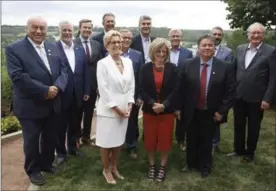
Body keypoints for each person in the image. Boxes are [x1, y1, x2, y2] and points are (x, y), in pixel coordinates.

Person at [5, 16, 68, 185]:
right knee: (32, 141)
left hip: (53, 102)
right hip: (30, 105)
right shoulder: (14, 49)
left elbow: (64, 70)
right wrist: (44, 90)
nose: (39, 31)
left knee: (49, 137)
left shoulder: (52, 46)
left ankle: (47, 164)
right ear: (27, 28)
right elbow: (18, 76)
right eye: (35, 27)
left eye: (42, 28)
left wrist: (57, 87)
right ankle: (33, 170)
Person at [179, 35, 235, 178]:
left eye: (210, 45)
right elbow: (181, 88)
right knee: (191, 138)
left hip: (211, 111)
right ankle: (191, 163)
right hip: (191, 110)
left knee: (206, 139)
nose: (207, 48)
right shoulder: (187, 64)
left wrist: (222, 111)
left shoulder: (224, 67)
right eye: (204, 45)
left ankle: (205, 166)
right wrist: (179, 109)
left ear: (214, 48)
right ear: (199, 48)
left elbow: (230, 91)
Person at [227, 22, 276, 162]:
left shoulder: (271, 51)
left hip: (257, 98)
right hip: (239, 96)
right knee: (238, 124)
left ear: (263, 35)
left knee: (254, 126)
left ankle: (250, 153)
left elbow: (273, 78)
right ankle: (238, 150)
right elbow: (234, 70)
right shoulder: (240, 49)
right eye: (253, 33)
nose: (255, 35)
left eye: (259, 33)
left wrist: (267, 98)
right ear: (248, 35)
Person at [96, 30, 135, 184]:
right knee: (106, 142)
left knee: (118, 141)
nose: (117, 45)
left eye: (119, 42)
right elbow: (103, 89)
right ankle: (106, 169)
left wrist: (129, 105)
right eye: (113, 42)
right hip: (109, 110)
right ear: (107, 45)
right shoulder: (102, 63)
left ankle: (114, 167)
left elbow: (132, 85)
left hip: (125, 109)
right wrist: (116, 109)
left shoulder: (128, 62)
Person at [139, 38, 179, 182]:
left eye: (164, 51)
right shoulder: (144, 68)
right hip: (150, 111)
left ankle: (162, 166)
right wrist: (151, 103)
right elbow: (141, 88)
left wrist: (165, 105)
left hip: (166, 112)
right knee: (150, 140)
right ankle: (151, 165)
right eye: (158, 51)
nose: (161, 54)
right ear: (152, 52)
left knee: (165, 139)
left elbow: (176, 90)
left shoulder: (173, 68)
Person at [55, 21, 90, 163]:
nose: (67, 33)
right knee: (61, 125)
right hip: (62, 94)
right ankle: (61, 154)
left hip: (78, 94)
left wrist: (86, 90)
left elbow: (86, 72)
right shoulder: (54, 48)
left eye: (69, 30)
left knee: (75, 124)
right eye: (64, 30)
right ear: (59, 31)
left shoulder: (79, 49)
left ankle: (72, 148)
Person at [74, 19, 104, 146]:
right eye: (84, 27)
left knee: (89, 113)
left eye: (89, 28)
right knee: (76, 113)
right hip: (77, 86)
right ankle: (75, 137)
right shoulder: (73, 43)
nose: (87, 30)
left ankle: (86, 137)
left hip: (93, 85)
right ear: (80, 28)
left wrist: (99, 84)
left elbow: (101, 65)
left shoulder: (96, 44)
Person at [120, 29, 144, 159]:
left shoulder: (137, 55)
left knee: (132, 121)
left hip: (133, 95)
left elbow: (141, 76)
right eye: (124, 38)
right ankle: (117, 144)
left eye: (129, 38)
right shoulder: (112, 54)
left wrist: (140, 96)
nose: (126, 40)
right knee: (118, 119)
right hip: (117, 95)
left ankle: (131, 146)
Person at [168, 28, 193, 151]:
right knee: (165, 114)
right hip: (166, 88)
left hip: (182, 88)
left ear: (181, 38)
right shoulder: (164, 51)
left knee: (180, 117)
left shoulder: (188, 53)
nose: (175, 38)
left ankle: (180, 139)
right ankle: (164, 138)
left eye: (177, 36)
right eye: (173, 36)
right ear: (169, 38)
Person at [210, 26, 233, 154]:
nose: (217, 36)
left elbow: (229, 72)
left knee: (217, 117)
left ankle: (214, 143)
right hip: (206, 89)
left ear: (222, 36)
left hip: (219, 90)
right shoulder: (204, 48)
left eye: (219, 34)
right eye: (214, 34)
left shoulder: (228, 52)